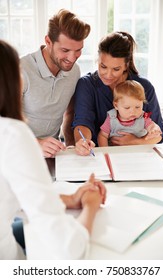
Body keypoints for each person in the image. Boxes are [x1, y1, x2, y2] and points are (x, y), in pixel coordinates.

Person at [0, 40, 106, 260]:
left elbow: (9, 197)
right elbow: (67, 248)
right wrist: (90, 207)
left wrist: (70, 199)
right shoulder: (12, 134)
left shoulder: (73, 75)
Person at [72, 31, 163, 156]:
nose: (108, 75)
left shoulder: (144, 87)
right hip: (98, 156)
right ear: (97, 60)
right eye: (103, 66)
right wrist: (82, 141)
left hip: (137, 156)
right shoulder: (87, 85)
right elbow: (83, 122)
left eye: (116, 69)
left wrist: (136, 141)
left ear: (126, 65)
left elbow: (159, 134)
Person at [21, 9, 90, 158]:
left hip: (54, 155)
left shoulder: (74, 71)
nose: (72, 58)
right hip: (19, 153)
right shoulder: (20, 70)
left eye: (78, 50)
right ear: (48, 42)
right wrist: (36, 143)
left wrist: (73, 146)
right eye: (65, 50)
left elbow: (69, 113)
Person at [98, 80, 162, 146]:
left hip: (138, 153)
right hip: (117, 153)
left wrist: (154, 130)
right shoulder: (111, 118)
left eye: (137, 107)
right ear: (116, 105)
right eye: (127, 108)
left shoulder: (143, 117)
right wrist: (106, 152)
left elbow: (153, 126)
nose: (133, 112)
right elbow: (102, 136)